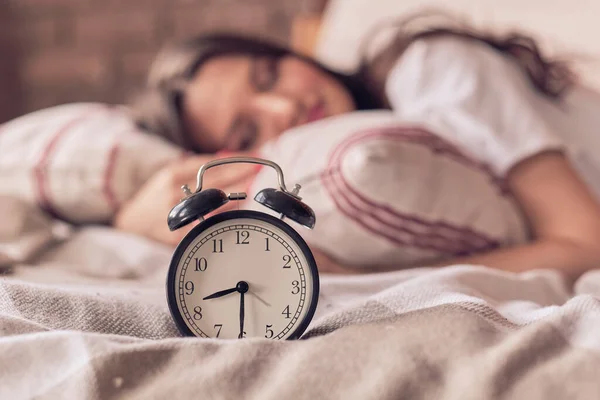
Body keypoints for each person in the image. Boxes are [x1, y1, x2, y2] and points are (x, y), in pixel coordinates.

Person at [116, 14, 600, 281]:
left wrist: (359, 278)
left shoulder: (431, 72)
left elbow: (586, 244)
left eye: (270, 75)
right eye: (247, 135)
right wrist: (134, 219)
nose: (282, 107)